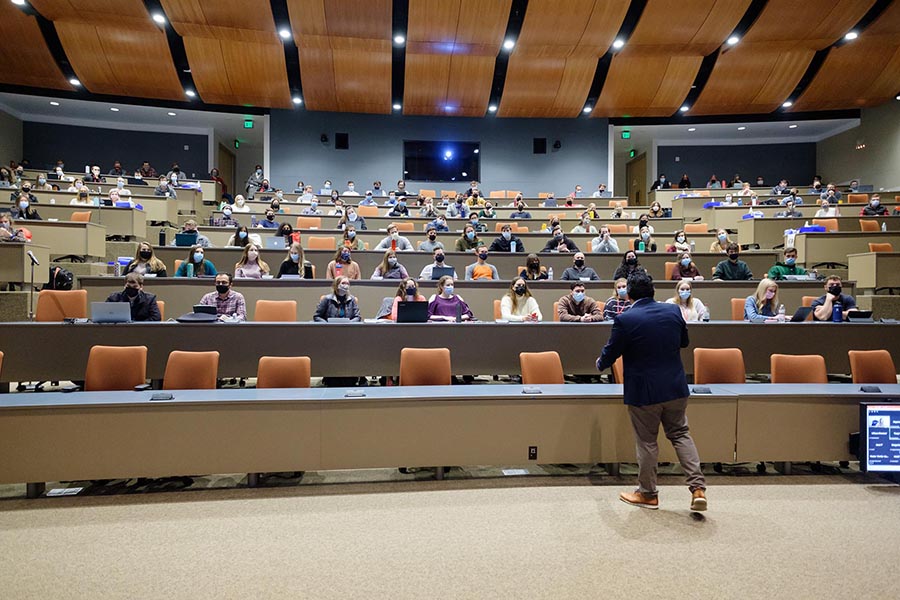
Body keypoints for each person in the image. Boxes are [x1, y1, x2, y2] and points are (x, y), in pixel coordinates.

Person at [596, 271, 707, 511]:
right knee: (680, 434)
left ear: (629, 295)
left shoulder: (626, 319)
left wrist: (599, 363)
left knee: (647, 442)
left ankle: (647, 494)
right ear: (653, 291)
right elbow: (684, 342)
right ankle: (698, 488)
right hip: (676, 386)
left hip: (644, 392)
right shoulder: (673, 311)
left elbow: (610, 354)